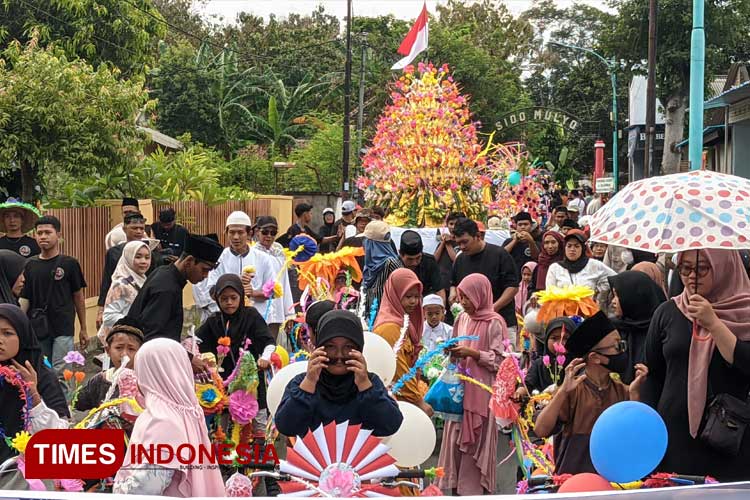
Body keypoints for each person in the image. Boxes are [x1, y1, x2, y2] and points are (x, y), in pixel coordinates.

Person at [643, 249, 750, 481]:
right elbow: (653, 374)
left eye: (702, 269)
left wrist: (713, 323)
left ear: (724, 268)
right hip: (674, 435)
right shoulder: (668, 312)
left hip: (730, 435)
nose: (692, 276)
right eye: (685, 268)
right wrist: (649, 430)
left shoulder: (745, 312)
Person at [535, 311, 648, 474]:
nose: (622, 351)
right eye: (617, 346)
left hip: (613, 479)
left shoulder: (622, 390)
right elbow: (541, 430)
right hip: (575, 480)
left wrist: (635, 394)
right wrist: (561, 394)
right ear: (595, 357)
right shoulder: (573, 389)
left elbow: (635, 436)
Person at [112, 338, 226, 496]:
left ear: (150, 374)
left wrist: (118, 490)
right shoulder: (187, 410)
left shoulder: (162, 420)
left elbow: (147, 486)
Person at [275, 310, 403, 437]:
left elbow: (390, 425)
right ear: (320, 347)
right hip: (312, 457)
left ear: (359, 349)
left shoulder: (369, 382)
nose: (339, 356)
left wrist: (365, 387)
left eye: (348, 347)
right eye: (330, 347)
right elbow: (286, 427)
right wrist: (309, 383)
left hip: (359, 456)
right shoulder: (302, 382)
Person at [436, 273, 506, 495]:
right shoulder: (461, 319)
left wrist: (474, 354)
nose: (463, 302)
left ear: (480, 295)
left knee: (478, 439)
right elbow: (456, 349)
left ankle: (477, 490)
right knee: (456, 438)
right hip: (460, 390)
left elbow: (502, 361)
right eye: (461, 297)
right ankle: (458, 489)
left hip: (482, 392)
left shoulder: (495, 322)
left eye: (467, 297)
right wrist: (453, 352)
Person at [197, 274, 275, 431]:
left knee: (257, 427)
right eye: (224, 299)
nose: (229, 303)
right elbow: (195, 343)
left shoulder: (251, 316)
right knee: (223, 429)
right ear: (217, 300)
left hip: (251, 382)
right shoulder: (214, 321)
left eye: (233, 297)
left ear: (241, 295)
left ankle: (259, 454)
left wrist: (265, 358)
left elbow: (269, 342)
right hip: (223, 383)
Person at [0, 304, 69, 465]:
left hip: (29, 473)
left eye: (7, 333)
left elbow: (60, 439)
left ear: (23, 335)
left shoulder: (43, 377)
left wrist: (32, 395)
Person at [126, 234, 223, 345]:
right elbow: (152, 338)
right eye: (205, 269)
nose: (206, 276)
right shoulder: (167, 289)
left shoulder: (163, 273)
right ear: (189, 261)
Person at [19, 216, 88, 371]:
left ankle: (67, 397)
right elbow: (25, 298)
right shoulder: (29, 265)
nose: (43, 236)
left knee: (63, 371)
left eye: (48, 232)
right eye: (39, 233)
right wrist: (19, 325)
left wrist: (83, 327)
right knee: (43, 370)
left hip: (63, 327)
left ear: (58, 235)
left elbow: (78, 297)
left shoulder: (69, 264)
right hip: (37, 327)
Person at [372, 268, 431, 415]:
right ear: (395, 296)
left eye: (416, 296)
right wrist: (419, 402)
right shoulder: (390, 327)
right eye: (407, 296)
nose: (413, 302)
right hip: (396, 402)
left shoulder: (402, 322)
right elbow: (399, 371)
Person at [450, 218, 518, 342]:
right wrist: (453, 293)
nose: (462, 247)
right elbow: (454, 283)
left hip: (501, 321)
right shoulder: (460, 260)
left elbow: (512, 287)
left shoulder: (500, 255)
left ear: (478, 236)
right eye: (458, 243)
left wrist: (493, 308)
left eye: (465, 242)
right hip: (471, 325)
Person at [98, 213, 160, 330]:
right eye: (134, 228)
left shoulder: (149, 252)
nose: (138, 231)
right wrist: (101, 308)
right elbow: (107, 280)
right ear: (124, 229)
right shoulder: (114, 254)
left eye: (141, 228)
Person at [608, 271, 666, 384]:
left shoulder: (659, 330)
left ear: (633, 297)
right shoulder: (614, 328)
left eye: (617, 296)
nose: (613, 301)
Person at [76, 318, 144, 412]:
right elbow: (77, 404)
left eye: (131, 349)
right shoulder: (100, 380)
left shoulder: (144, 382)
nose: (124, 354)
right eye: (119, 348)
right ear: (108, 350)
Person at [98, 241, 151, 348]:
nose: (143, 261)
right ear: (128, 258)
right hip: (120, 344)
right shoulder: (121, 284)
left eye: (147, 257)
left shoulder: (143, 280)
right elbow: (108, 317)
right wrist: (135, 322)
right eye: (138, 257)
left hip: (136, 340)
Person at [253, 216, 295, 344]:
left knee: (271, 346)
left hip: (276, 308)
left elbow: (285, 284)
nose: (269, 236)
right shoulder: (252, 254)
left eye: (273, 233)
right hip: (258, 308)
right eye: (265, 232)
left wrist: (289, 313)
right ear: (257, 232)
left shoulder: (278, 255)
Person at [545, 230, 615, 305]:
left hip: (588, 312)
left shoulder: (593, 265)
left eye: (577, 246)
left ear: (583, 248)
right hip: (562, 313)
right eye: (569, 246)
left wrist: (598, 291)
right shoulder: (555, 268)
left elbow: (614, 279)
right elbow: (550, 293)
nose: (572, 249)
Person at [521, 317, 577, 396]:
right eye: (554, 338)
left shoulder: (577, 364)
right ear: (546, 340)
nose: (560, 343)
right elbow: (528, 384)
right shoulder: (538, 364)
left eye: (566, 338)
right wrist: (519, 393)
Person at [362, 220, 402, 315]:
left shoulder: (391, 264)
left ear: (371, 244)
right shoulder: (369, 266)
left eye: (366, 241)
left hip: (386, 318)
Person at [399, 230, 445, 301]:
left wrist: (441, 309)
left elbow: (439, 290)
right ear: (401, 254)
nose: (414, 263)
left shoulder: (429, 262)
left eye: (418, 258)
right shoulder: (394, 265)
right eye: (410, 259)